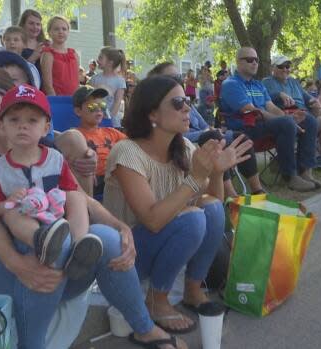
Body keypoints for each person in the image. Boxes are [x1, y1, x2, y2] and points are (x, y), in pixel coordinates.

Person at [0, 65, 187, 349]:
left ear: (6, 93)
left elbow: (77, 196)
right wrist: (19, 264)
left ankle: (144, 327)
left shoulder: (44, 147)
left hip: (57, 257)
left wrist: (120, 226)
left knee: (106, 238)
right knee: (51, 243)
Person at [103, 75, 252, 334]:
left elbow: (213, 208)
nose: (187, 108)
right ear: (152, 114)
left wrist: (216, 172)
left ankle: (193, 290)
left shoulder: (183, 147)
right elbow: (152, 219)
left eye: (188, 101)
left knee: (210, 209)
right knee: (193, 218)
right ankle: (156, 300)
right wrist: (195, 179)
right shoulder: (127, 152)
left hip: (160, 243)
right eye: (178, 102)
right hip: (126, 255)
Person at [0, 84, 102, 276]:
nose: (22, 126)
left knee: (77, 197)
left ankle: (78, 246)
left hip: (57, 219)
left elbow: (70, 190)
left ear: (46, 128)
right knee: (12, 213)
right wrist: (8, 202)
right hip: (25, 228)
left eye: (32, 120)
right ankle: (42, 241)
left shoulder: (55, 158)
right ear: (2, 126)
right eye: (14, 120)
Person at [147, 62, 265, 198]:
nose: (187, 108)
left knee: (241, 137)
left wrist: (212, 129)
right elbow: (176, 135)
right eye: (172, 78)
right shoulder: (160, 109)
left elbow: (204, 124)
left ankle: (257, 190)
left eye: (179, 77)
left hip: (205, 137)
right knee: (212, 138)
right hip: (199, 141)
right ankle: (231, 195)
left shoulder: (185, 103)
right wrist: (206, 132)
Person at [219, 47, 320, 192]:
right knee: (286, 123)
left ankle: (305, 171)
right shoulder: (231, 84)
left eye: (256, 60)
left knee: (309, 120)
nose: (254, 63)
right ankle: (290, 176)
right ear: (238, 62)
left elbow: (270, 106)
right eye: (249, 60)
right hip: (245, 129)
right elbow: (254, 110)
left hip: (263, 125)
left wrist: (289, 117)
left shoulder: (258, 85)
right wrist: (288, 120)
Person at [262, 55, 321, 169]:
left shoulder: (293, 81)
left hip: (307, 113)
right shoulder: (267, 82)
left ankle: (318, 156)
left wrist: (314, 101)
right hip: (291, 117)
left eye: (287, 66)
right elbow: (264, 98)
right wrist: (279, 95)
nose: (285, 69)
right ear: (273, 68)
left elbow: (306, 96)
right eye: (281, 66)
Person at [73, 85, 127, 196]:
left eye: (102, 105)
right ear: (78, 111)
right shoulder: (75, 135)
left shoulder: (111, 132)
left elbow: (132, 147)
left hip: (114, 177)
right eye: (92, 106)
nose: (98, 110)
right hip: (92, 180)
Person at [41, 16, 79, 96]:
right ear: (49, 32)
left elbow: (76, 80)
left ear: (68, 32)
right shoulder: (48, 54)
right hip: (57, 100)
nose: (60, 32)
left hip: (74, 100)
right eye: (56, 29)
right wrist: (56, 102)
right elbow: (48, 85)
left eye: (64, 29)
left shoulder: (74, 54)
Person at [89, 47, 127, 126]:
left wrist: (109, 119)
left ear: (110, 62)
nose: (97, 60)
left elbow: (117, 102)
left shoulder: (120, 81)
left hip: (111, 122)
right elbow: (89, 99)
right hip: (95, 121)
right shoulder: (94, 79)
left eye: (101, 58)